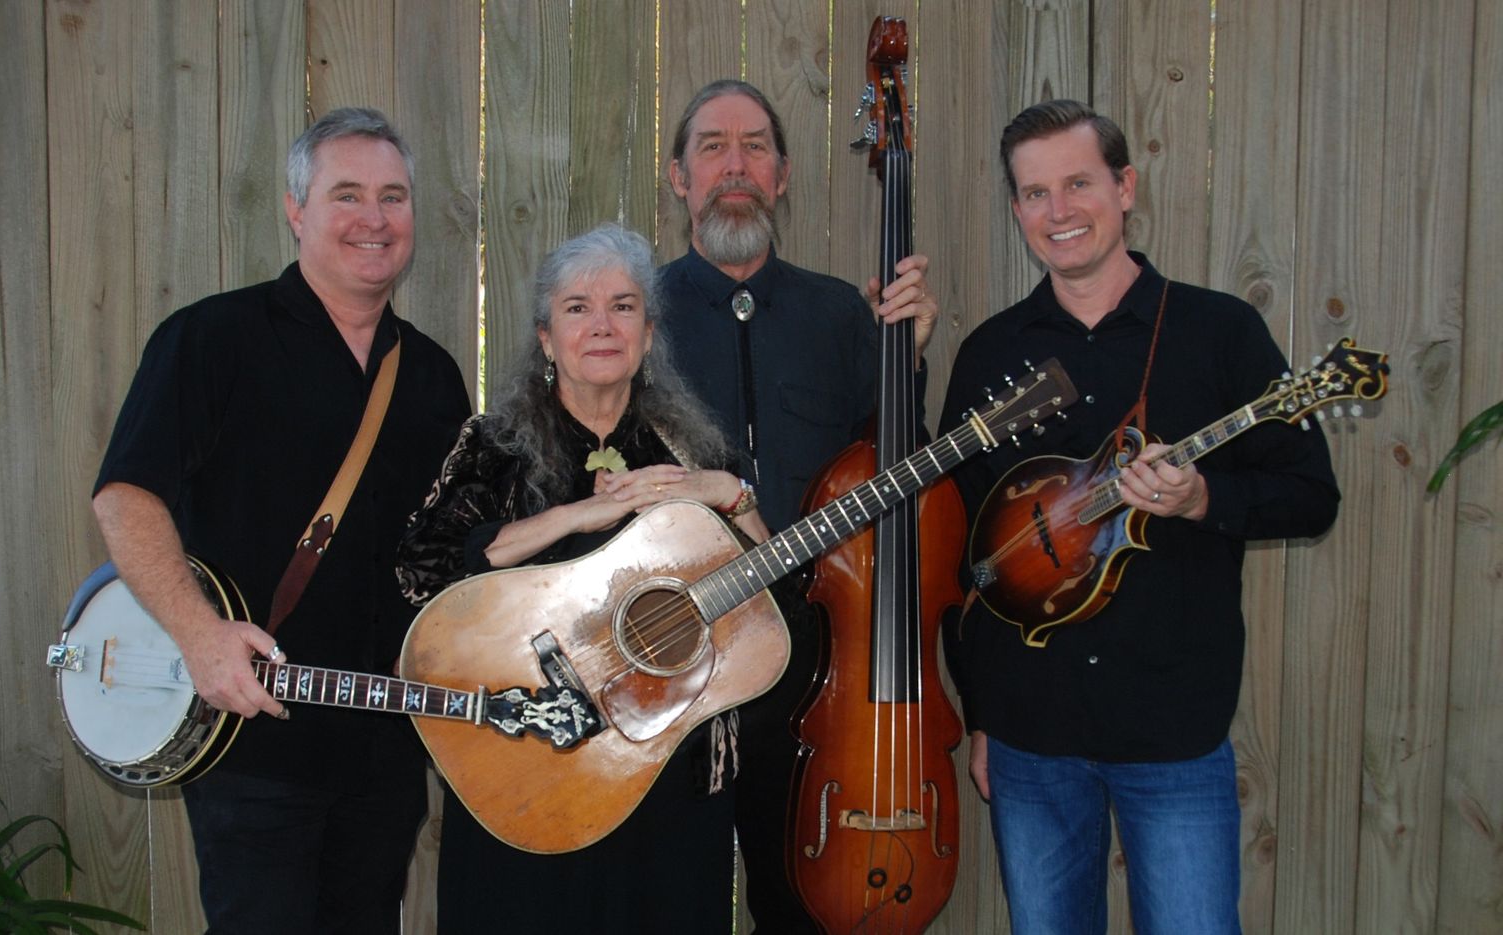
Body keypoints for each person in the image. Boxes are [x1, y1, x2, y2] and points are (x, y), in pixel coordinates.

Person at [938, 99, 1340, 934]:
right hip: (1029, 733)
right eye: (1036, 192)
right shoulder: (989, 353)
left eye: (1079, 183)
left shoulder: (1220, 332)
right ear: (1016, 209)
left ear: (1125, 188)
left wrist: (1203, 498)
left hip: (1174, 729)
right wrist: (982, 716)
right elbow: (960, 554)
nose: (1059, 210)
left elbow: (1311, 493)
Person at [92, 107, 471, 933]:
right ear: (296, 211)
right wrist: (199, 635)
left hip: (383, 753)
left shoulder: (435, 376)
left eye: (393, 197)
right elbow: (125, 496)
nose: (374, 218)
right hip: (251, 743)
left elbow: (454, 553)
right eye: (347, 195)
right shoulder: (210, 339)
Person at [396, 224, 773, 933]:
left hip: (668, 771)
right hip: (525, 765)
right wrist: (576, 515)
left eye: (623, 306)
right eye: (577, 308)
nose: (602, 324)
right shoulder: (493, 447)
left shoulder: (693, 450)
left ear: (648, 334)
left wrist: (730, 492)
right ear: (546, 337)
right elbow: (422, 574)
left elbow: (775, 601)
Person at [658, 78, 940, 932]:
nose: (734, 167)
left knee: (798, 906)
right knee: (670, 900)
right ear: (679, 177)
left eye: (754, 148)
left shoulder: (840, 316)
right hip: (672, 661)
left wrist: (908, 361)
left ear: (781, 177)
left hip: (813, 672)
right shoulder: (637, 317)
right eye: (713, 147)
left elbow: (900, 480)